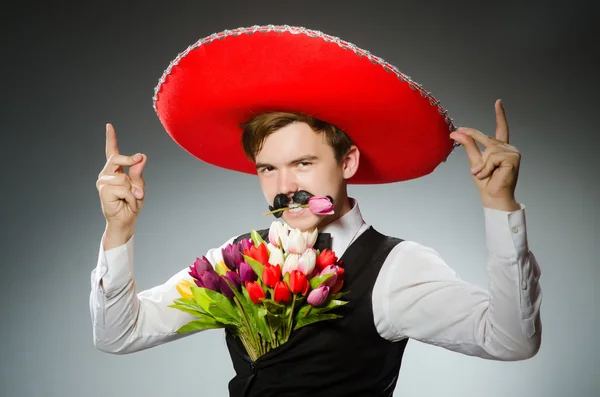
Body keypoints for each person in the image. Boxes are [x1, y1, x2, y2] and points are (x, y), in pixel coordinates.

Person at [90, 25, 542, 396]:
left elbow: (511, 340)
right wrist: (119, 230)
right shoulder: (237, 259)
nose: (286, 187)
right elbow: (119, 334)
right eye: (268, 168)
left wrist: (499, 206)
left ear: (347, 163)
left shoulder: (396, 268)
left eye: (304, 164)